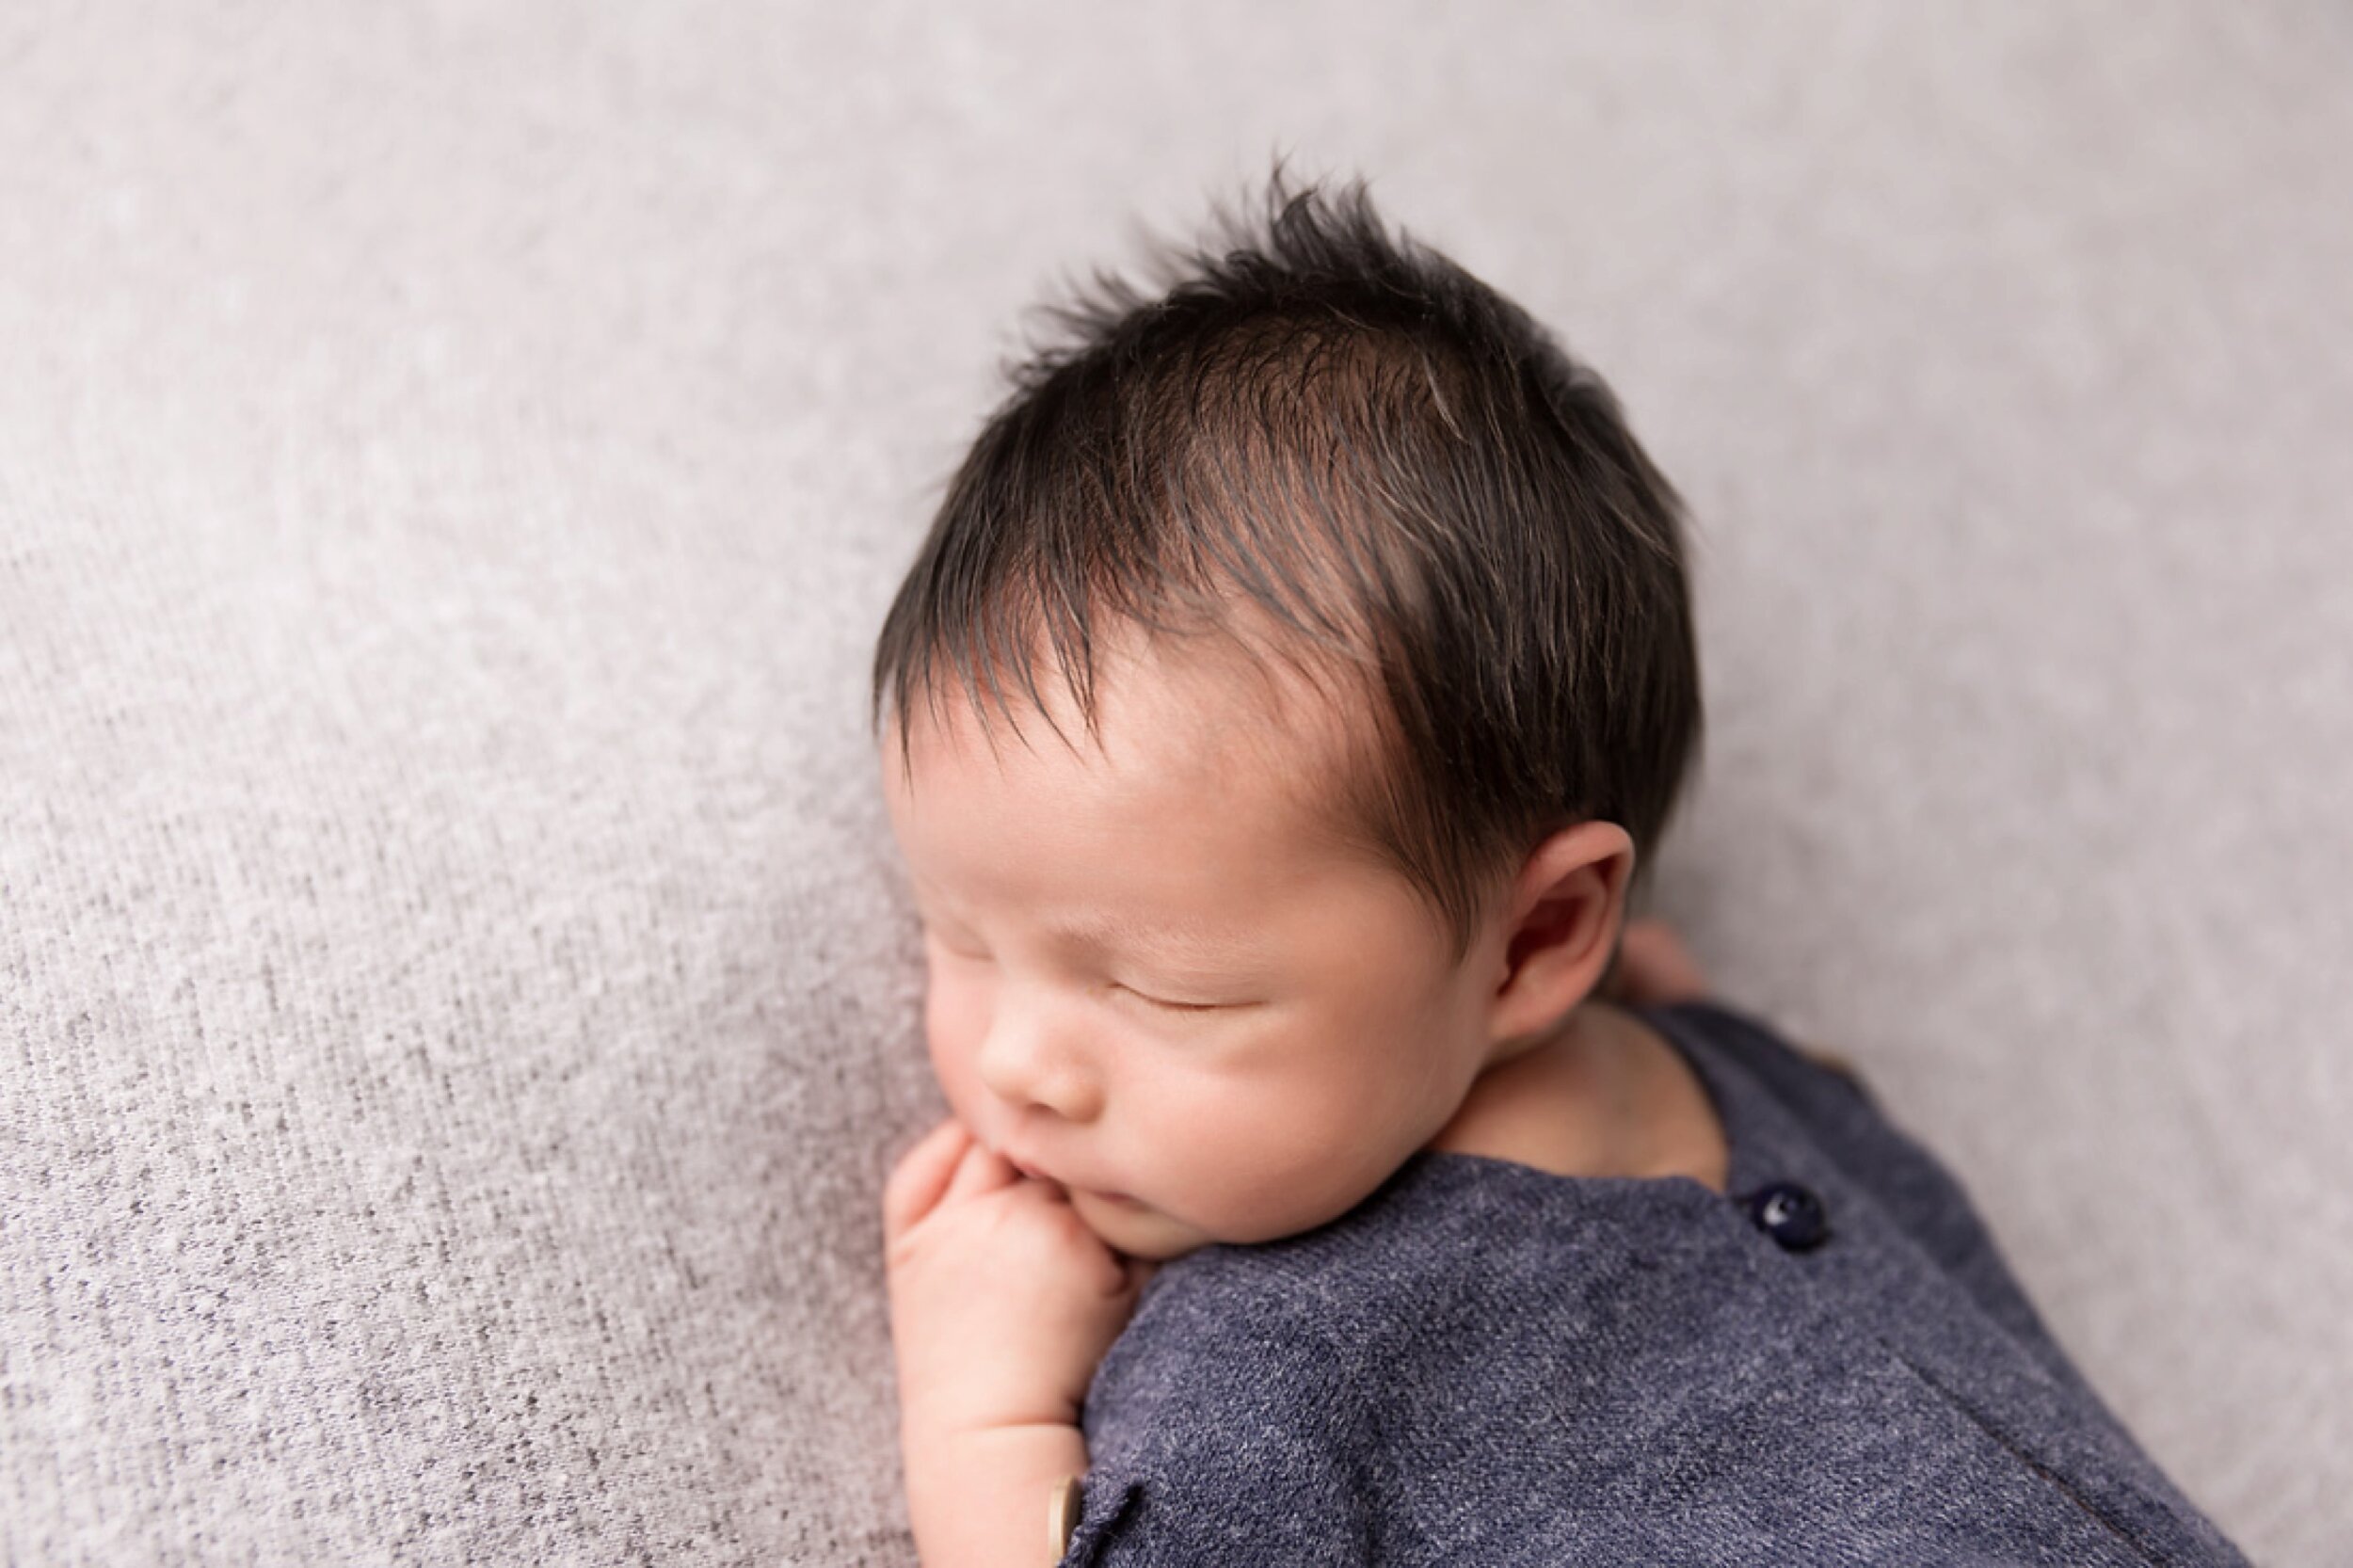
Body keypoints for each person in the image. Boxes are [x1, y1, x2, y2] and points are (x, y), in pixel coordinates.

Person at [871, 172, 2248, 1567]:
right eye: (958, 935)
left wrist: (1677, 1021)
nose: (1023, 1062)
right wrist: (984, 1418)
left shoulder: (1730, 1075)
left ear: (1539, 941)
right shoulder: (1266, 1363)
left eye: (1167, 989)